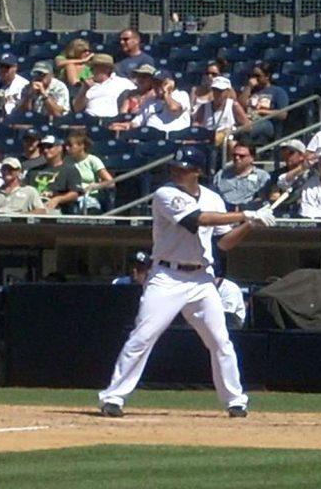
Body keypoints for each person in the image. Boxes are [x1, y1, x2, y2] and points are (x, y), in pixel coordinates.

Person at [98, 146, 275, 418]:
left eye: (184, 169)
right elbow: (197, 220)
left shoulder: (214, 198)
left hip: (201, 278)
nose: (178, 173)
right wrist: (245, 214)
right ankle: (113, 397)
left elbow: (224, 243)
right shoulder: (165, 194)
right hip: (167, 276)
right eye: (175, 169)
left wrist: (250, 224)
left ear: (198, 172)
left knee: (220, 341)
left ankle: (235, 401)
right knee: (142, 336)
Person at [24, 135, 84, 214]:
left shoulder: (70, 170)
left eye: (49, 147)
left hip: (56, 209)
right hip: (33, 207)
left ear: (60, 148)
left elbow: (75, 194)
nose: (45, 150)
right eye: (42, 148)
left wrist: (58, 199)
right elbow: (24, 190)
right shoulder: (33, 171)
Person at [236, 62, 289, 145]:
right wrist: (248, 87)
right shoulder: (251, 91)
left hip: (266, 122)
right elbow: (240, 105)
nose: (254, 79)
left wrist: (262, 111)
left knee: (244, 130)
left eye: (258, 76)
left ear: (267, 76)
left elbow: (283, 114)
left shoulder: (277, 91)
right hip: (248, 119)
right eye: (252, 76)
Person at [74, 54, 136, 119]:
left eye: (95, 66)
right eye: (92, 67)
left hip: (112, 120)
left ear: (107, 68)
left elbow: (138, 94)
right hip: (89, 119)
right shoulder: (87, 85)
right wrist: (84, 90)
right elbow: (77, 109)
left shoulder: (122, 82)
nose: (91, 70)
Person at [65, 130, 113, 213]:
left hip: (90, 196)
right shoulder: (66, 160)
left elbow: (111, 182)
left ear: (81, 146)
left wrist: (95, 186)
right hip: (70, 196)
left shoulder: (93, 160)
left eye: (70, 145)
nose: (67, 148)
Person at [212, 142, 270, 209]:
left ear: (252, 158)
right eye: (234, 155)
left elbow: (263, 199)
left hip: (250, 213)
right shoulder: (221, 174)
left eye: (241, 156)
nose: (237, 158)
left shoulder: (262, 176)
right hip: (224, 213)